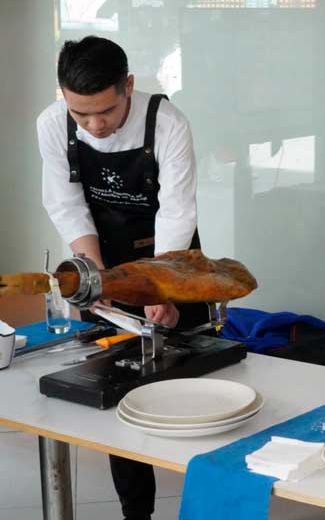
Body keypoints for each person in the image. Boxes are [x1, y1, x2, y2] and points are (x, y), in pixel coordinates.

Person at [37, 36, 205, 520]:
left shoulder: (167, 124)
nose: (94, 125)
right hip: (105, 256)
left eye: (105, 112)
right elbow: (66, 205)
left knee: (191, 376)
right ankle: (138, 512)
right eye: (81, 115)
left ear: (128, 85)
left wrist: (161, 289)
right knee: (119, 390)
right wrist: (96, 279)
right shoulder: (52, 125)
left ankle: (210, 495)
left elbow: (176, 213)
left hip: (168, 256)